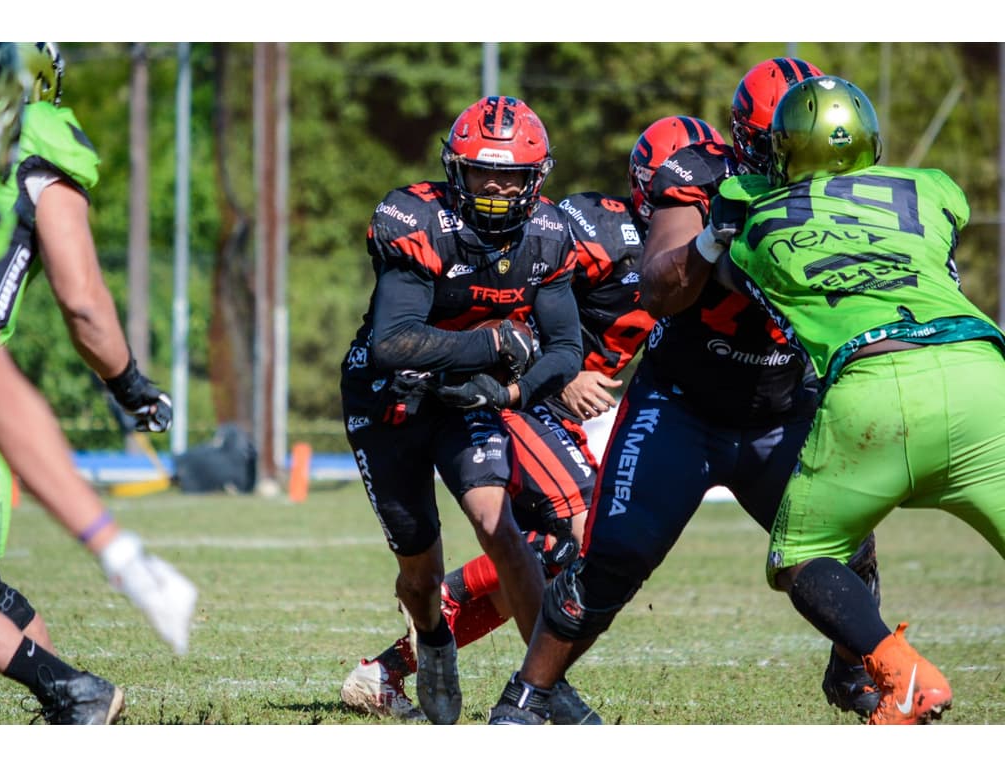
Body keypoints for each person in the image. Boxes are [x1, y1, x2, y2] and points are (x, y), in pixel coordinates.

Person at [486, 63, 881, 727]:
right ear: (756, 141)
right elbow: (658, 287)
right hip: (681, 409)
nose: (812, 165)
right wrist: (712, 237)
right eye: (795, 144)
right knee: (610, 564)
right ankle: (526, 699)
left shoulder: (862, 196)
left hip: (781, 411)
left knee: (852, 550)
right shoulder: (699, 179)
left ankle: (852, 665)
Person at [339, 115, 707, 725]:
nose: (703, 197)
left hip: (531, 393)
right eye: (693, 187)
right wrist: (557, 373)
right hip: (521, 395)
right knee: (578, 533)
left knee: (559, 545)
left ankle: (406, 664)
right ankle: (492, 674)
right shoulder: (599, 230)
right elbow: (515, 285)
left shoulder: (717, 245)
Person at [702, 73, 1005, 725]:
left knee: (806, 557)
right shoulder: (929, 187)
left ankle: (903, 678)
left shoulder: (750, 207)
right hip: (985, 373)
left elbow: (725, 265)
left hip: (875, 385)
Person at [340, 95, 583, 724]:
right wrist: (492, 344)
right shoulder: (417, 218)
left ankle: (545, 689)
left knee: (500, 527)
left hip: (465, 401)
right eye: (483, 171)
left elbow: (564, 350)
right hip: (389, 399)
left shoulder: (551, 235)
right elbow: (394, 343)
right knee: (421, 576)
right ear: (456, 170)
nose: (498, 187)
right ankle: (435, 639)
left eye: (511, 175)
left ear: (537, 179)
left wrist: (508, 393)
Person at [0, 42, 196, 725]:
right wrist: (130, 384)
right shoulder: (30, 143)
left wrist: (114, 544)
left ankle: (72, 694)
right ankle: (70, 695)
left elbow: (77, 305)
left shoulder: (31, 147)